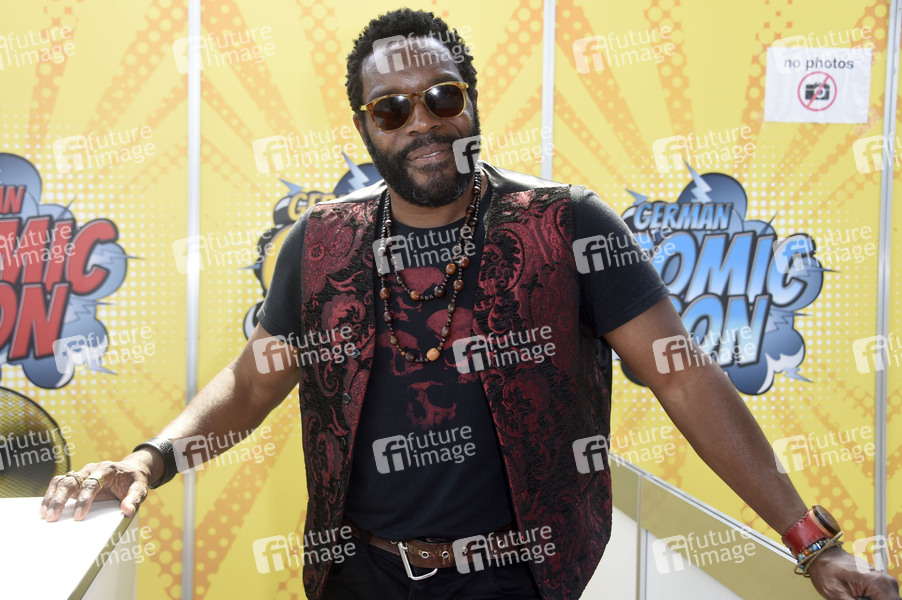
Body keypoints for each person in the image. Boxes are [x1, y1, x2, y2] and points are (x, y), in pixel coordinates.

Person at [41, 8, 900, 600]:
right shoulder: (322, 244)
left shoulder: (565, 225)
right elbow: (255, 381)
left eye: (442, 97)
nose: (422, 122)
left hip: (521, 579)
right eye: (392, 109)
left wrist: (809, 542)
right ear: (366, 127)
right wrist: (150, 460)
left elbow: (684, 377)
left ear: (472, 101)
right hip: (359, 578)